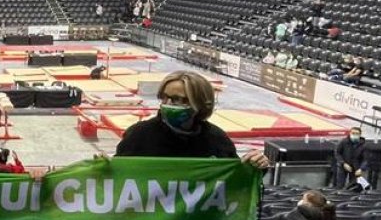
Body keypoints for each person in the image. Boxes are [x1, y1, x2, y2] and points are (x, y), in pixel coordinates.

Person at [114, 71, 270, 169]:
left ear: (199, 103)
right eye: (164, 97)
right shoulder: (139, 135)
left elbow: (235, 181)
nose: (167, 104)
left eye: (177, 100)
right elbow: (115, 178)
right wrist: (100, 168)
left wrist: (256, 167)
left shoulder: (217, 139)